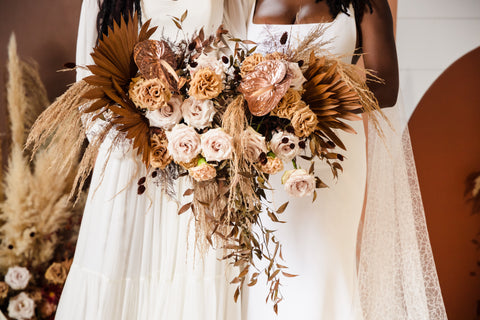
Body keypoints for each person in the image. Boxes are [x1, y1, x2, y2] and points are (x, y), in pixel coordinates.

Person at [225, 0, 448, 319]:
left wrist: (301, 94)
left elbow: (385, 86)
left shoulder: (365, 3)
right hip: (262, 158)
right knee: (263, 267)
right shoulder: (245, 3)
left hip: (332, 158)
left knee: (327, 264)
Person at [55, 1, 242, 319]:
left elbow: (238, 49)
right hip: (131, 158)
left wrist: (209, 120)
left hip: (197, 156)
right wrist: (135, 133)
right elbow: (90, 82)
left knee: (191, 270)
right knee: (120, 264)